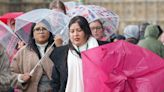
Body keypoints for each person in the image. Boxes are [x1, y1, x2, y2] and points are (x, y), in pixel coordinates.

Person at [50, 16, 109, 92]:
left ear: (86, 31)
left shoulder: (103, 49)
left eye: (79, 30)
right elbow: (55, 82)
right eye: (72, 31)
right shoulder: (61, 53)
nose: (75, 34)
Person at [10, 20, 56, 92]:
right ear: (32, 34)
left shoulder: (56, 49)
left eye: (44, 29)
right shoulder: (23, 52)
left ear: (50, 32)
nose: (41, 31)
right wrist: (20, 78)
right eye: (37, 29)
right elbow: (10, 74)